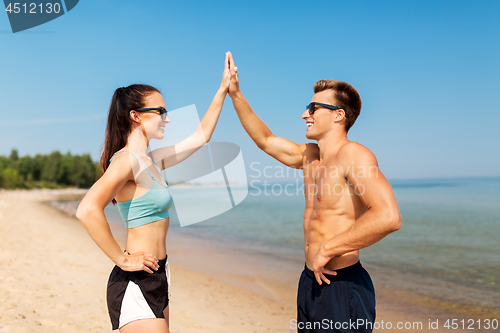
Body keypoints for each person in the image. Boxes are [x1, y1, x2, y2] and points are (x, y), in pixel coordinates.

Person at [227, 52, 401, 332]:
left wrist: (328, 249)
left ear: (338, 116)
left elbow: (388, 216)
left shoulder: (353, 155)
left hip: (342, 284)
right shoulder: (309, 156)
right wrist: (235, 93)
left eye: (313, 107)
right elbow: (265, 140)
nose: (304, 114)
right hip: (310, 280)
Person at [76, 53, 232, 332]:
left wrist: (223, 90)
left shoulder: (152, 159)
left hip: (158, 272)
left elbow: (201, 137)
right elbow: (87, 210)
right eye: (159, 111)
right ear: (135, 116)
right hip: (136, 279)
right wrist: (122, 259)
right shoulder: (125, 161)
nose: (166, 119)